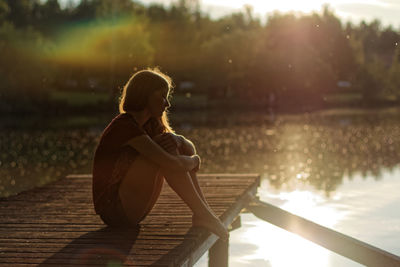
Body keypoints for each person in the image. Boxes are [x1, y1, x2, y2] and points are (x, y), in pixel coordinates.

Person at [92, 68, 228, 240]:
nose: (167, 104)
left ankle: (203, 213)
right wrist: (195, 161)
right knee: (165, 152)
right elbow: (173, 164)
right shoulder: (124, 127)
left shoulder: (150, 125)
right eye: (163, 96)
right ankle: (203, 213)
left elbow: (187, 149)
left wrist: (178, 139)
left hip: (133, 209)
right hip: (114, 211)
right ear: (145, 95)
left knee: (169, 145)